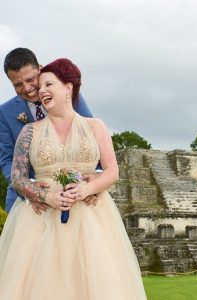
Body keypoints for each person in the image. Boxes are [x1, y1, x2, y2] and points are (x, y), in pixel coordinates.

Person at [0, 58, 147, 299]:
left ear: (68, 87)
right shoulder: (28, 131)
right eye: (38, 86)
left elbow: (111, 170)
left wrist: (90, 188)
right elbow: (16, 175)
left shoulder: (94, 125)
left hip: (91, 217)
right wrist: (40, 195)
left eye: (45, 84)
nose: (37, 90)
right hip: (38, 216)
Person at [0, 48, 95, 213]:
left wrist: (96, 178)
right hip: (28, 205)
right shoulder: (4, 112)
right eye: (18, 85)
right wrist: (29, 189)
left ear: (40, 69)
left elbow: (92, 137)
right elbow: (6, 160)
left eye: (31, 79)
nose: (28, 88)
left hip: (76, 198)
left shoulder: (70, 97)